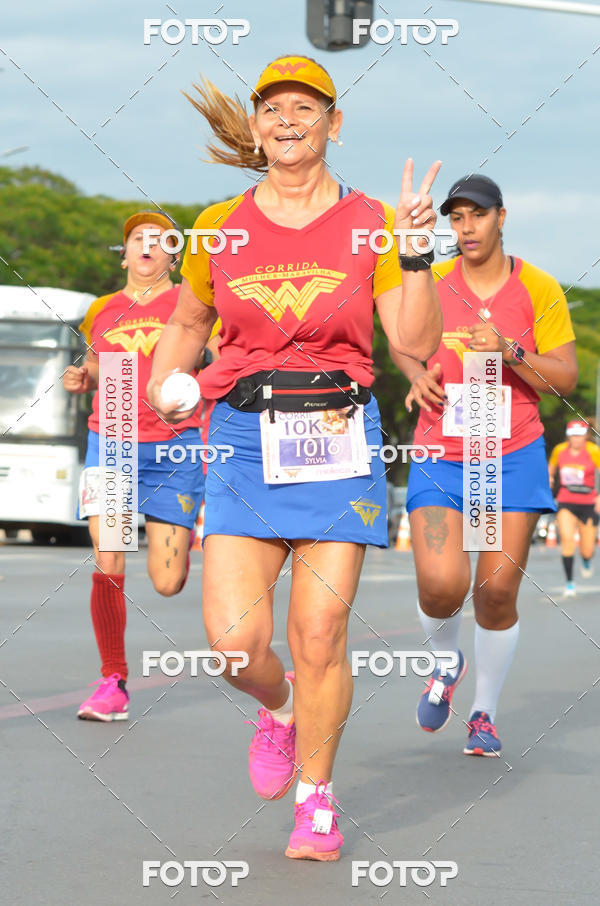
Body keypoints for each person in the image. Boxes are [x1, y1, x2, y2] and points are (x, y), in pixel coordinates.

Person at [147, 55, 442, 861]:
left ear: (332, 124)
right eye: (272, 107)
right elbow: (187, 321)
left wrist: (415, 255)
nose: (287, 120)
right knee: (236, 643)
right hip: (243, 439)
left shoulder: (373, 222)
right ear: (255, 125)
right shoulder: (218, 226)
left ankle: (316, 799)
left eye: (305, 108)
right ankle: (278, 710)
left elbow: (414, 343)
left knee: (319, 634)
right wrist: (163, 382)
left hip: (339, 438)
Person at [391, 174, 577, 756]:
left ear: (502, 217)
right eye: (456, 218)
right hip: (442, 455)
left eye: (477, 215)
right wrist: (416, 373)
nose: (465, 227)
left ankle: (484, 713)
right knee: (441, 586)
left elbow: (565, 379)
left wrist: (509, 349)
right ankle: (446, 666)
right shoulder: (434, 280)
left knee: (495, 594)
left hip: (510, 454)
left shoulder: (540, 288)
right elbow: (401, 337)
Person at [63, 210, 210, 721]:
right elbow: (101, 363)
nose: (147, 246)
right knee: (109, 559)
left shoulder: (191, 303)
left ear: (174, 255)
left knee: (168, 581)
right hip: (114, 442)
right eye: (137, 240)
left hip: (175, 450)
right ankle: (113, 680)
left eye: (160, 240)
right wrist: (83, 377)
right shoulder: (102, 310)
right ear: (123, 253)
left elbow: (215, 358)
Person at [548, 420, 600, 596]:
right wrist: (550, 478)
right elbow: (552, 468)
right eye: (573, 436)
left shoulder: (593, 451)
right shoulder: (559, 450)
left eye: (579, 435)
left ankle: (586, 559)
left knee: (587, 549)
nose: (576, 439)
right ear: (568, 436)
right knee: (567, 539)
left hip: (588, 503)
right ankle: (569, 583)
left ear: (585, 436)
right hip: (566, 501)